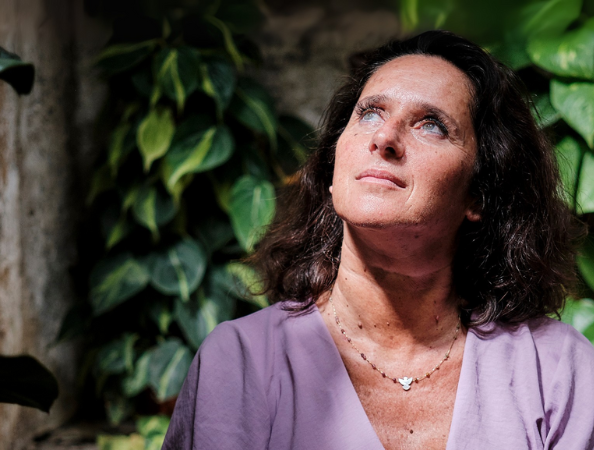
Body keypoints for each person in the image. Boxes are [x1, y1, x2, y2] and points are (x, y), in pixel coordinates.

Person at [162, 30, 594, 449]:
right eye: (370, 113)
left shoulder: (556, 370)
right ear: (333, 169)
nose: (384, 138)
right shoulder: (241, 363)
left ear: (479, 193)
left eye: (431, 125)